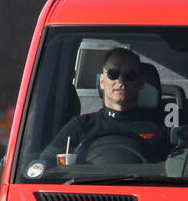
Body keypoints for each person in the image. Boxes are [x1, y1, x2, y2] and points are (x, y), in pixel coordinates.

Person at [38, 48, 170, 165]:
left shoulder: (161, 128)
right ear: (101, 81)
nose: (120, 81)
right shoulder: (80, 126)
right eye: (113, 74)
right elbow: (44, 165)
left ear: (140, 83)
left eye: (130, 75)